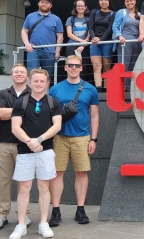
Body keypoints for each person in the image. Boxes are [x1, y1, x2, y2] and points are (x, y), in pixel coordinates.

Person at [9, 69, 62, 239]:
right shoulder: (21, 102)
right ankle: (21, 224)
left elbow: (57, 126)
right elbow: (15, 127)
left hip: (46, 151)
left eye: (42, 81)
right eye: (36, 81)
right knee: (24, 188)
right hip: (25, 152)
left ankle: (43, 223)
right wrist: (30, 142)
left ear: (47, 83)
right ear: (30, 82)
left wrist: (38, 140)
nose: (39, 84)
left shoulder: (54, 102)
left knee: (44, 188)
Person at [48, 55, 100, 227]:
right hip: (59, 137)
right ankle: (55, 211)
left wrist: (94, 139)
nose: (73, 68)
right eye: (70, 65)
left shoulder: (90, 89)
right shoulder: (55, 89)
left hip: (82, 137)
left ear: (81, 68)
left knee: (81, 173)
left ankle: (80, 209)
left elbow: (94, 115)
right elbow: (49, 115)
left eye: (76, 66)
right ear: (65, 68)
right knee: (57, 174)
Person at [0, 64, 32, 230]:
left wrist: (12, 112)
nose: (19, 74)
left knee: (25, 182)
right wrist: (23, 110)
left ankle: (25, 213)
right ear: (11, 75)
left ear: (27, 76)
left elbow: (37, 113)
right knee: (3, 181)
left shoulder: (34, 92)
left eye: (22, 72)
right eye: (16, 72)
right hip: (4, 143)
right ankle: (1, 214)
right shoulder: (2, 93)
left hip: (26, 143)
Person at [21, 0, 64, 79]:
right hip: (33, 49)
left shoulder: (56, 19)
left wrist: (58, 51)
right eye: (42, 2)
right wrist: (26, 43)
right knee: (32, 73)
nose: (44, 4)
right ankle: (32, 92)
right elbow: (24, 31)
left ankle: (45, 91)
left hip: (50, 51)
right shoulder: (30, 16)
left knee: (47, 75)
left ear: (51, 5)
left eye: (47, 3)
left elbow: (60, 36)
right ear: (38, 4)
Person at [112, 0, 143, 91]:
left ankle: (130, 89)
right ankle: (122, 89)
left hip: (137, 42)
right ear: (125, 3)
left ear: (135, 1)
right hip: (125, 41)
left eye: (131, 0)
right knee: (124, 65)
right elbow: (115, 26)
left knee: (134, 66)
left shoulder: (140, 15)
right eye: (127, 1)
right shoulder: (122, 12)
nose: (129, 3)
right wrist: (120, 36)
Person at [88, 0, 115, 91]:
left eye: (105, 0)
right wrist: (94, 37)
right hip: (95, 42)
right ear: (99, 2)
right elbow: (90, 27)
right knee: (96, 66)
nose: (104, 2)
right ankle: (98, 89)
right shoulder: (94, 12)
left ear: (109, 1)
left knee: (106, 67)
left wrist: (101, 39)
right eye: (101, 0)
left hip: (106, 42)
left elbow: (110, 29)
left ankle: (106, 90)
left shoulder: (113, 14)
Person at [65, 0, 93, 83]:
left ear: (85, 7)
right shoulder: (71, 19)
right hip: (72, 46)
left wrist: (83, 45)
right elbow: (69, 34)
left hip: (85, 47)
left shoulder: (89, 19)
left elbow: (90, 34)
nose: (80, 7)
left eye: (82, 6)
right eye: (78, 6)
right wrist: (81, 41)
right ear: (75, 7)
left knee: (83, 69)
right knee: (70, 68)